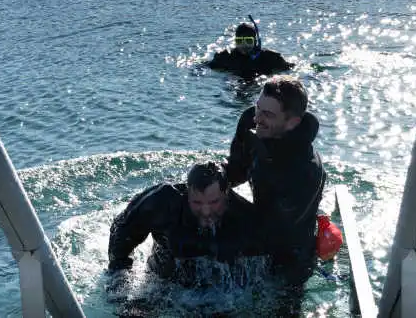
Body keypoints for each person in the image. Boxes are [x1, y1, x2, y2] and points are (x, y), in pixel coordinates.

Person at [225, 75, 327, 287]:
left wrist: (267, 161)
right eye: (258, 108)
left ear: (292, 122)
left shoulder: (305, 169)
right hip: (262, 223)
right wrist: (215, 178)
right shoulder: (252, 123)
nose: (257, 118)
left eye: (268, 114)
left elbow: (275, 232)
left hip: (291, 252)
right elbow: (236, 171)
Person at [107, 161, 259, 286]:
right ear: (187, 194)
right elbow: (122, 230)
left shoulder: (243, 216)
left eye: (214, 202)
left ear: (226, 196)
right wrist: (119, 276)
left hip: (216, 292)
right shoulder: (162, 203)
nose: (206, 211)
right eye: (197, 202)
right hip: (161, 281)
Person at [207, 16, 295, 80]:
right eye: (240, 41)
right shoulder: (226, 57)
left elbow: (291, 68)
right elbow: (205, 66)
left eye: (248, 41)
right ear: (235, 42)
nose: (244, 45)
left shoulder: (270, 57)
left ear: (255, 42)